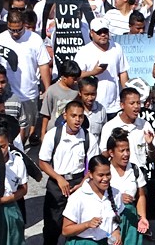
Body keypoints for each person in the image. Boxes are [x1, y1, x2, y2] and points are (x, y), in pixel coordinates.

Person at [39, 100, 100, 245]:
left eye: (80, 116)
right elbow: (42, 162)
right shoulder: (53, 135)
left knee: (78, 222)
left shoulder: (88, 137)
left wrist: (83, 183)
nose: (77, 120)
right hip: (56, 183)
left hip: (79, 182)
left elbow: (93, 166)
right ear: (65, 116)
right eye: (73, 116)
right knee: (52, 224)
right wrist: (59, 178)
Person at [0, 11, 52, 144]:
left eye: (18, 30)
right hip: (6, 94)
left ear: (24, 26)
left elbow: (43, 65)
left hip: (29, 93)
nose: (15, 33)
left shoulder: (35, 39)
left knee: (27, 129)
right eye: (11, 30)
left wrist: (47, 89)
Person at [61, 155, 124, 245]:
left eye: (108, 174)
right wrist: (87, 224)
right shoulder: (78, 197)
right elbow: (66, 230)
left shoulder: (116, 194)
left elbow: (116, 221)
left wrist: (116, 231)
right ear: (90, 174)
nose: (105, 179)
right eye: (101, 175)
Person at [74, 18, 129, 118]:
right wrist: (93, 72)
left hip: (115, 106)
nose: (103, 34)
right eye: (99, 32)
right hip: (93, 106)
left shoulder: (117, 48)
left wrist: (127, 96)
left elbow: (123, 72)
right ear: (91, 33)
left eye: (105, 31)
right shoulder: (84, 52)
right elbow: (76, 76)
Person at [107, 128, 150, 245]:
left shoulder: (134, 169)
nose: (126, 154)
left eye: (128, 150)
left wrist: (142, 218)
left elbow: (141, 195)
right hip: (110, 218)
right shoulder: (104, 170)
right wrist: (117, 198)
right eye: (121, 151)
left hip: (130, 219)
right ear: (111, 153)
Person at [99, 88, 155, 170]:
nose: (136, 106)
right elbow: (104, 154)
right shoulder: (109, 126)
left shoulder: (145, 125)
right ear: (122, 105)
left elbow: (153, 156)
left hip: (140, 175)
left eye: (138, 103)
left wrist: (150, 144)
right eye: (132, 103)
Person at [0, 125, 28, 245]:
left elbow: (23, 189)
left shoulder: (17, 162)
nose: (0, 150)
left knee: (13, 239)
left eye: (3, 146)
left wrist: (3, 200)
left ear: (8, 143)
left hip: (10, 208)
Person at [40, 60, 81, 137]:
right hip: (54, 130)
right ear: (64, 77)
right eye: (73, 78)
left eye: (77, 78)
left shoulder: (77, 90)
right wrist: (43, 133)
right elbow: (46, 114)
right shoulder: (52, 90)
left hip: (71, 131)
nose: (76, 81)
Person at [79, 76, 106, 145]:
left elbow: (104, 134)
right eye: (86, 94)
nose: (90, 98)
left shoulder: (101, 110)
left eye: (93, 94)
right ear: (80, 93)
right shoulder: (74, 109)